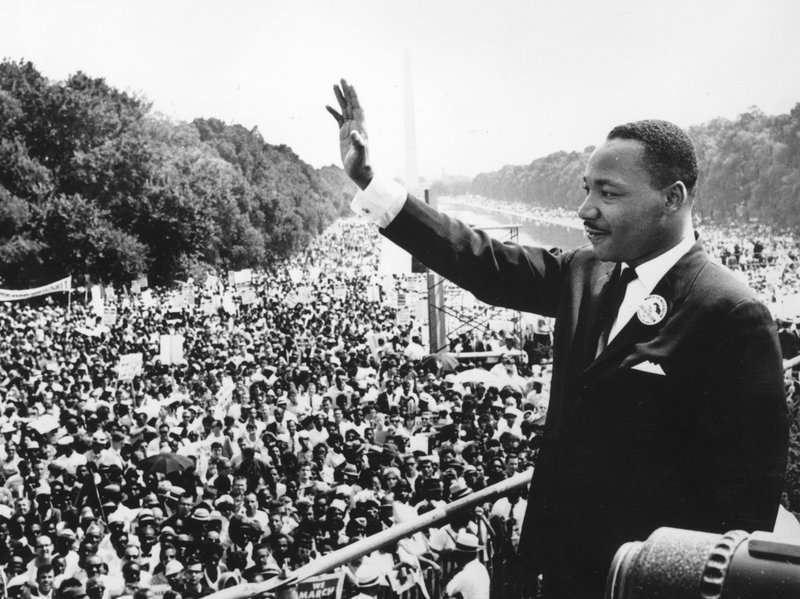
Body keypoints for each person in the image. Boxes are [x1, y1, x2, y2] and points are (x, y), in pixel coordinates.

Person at [327, 80, 789, 598]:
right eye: (585, 188)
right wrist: (371, 182)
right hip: (554, 570)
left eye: (608, 193)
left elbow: (744, 509)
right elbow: (483, 261)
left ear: (672, 199)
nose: (585, 209)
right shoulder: (586, 271)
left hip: (640, 582)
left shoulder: (731, 313)